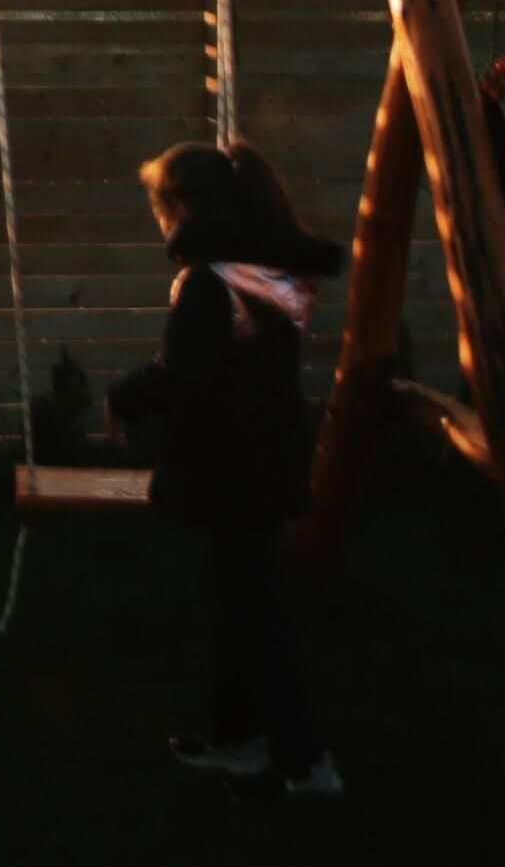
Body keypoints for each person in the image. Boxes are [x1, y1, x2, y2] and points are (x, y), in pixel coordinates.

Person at [110, 138, 345, 802]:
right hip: (266, 460)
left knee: (255, 615)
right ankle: (238, 737)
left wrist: (122, 399)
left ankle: (307, 760)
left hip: (231, 468)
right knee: (238, 600)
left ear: (180, 207)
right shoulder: (265, 270)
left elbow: (182, 372)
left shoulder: (210, 282)